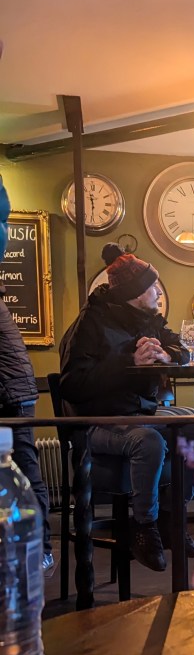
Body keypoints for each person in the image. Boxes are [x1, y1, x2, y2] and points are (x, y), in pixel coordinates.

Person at [59, 243, 194, 572]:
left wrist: (167, 355)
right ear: (136, 293)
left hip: (142, 412)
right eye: (152, 287)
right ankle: (144, 526)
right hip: (97, 420)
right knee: (148, 441)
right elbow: (71, 385)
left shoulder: (148, 320)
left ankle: (171, 515)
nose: (157, 292)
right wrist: (128, 362)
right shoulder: (90, 323)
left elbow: (184, 346)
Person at [0, 176, 54, 571]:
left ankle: (40, 551)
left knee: (20, 472)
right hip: (14, 391)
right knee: (20, 472)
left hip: (10, 394)